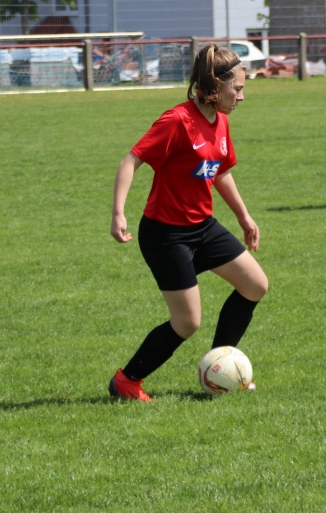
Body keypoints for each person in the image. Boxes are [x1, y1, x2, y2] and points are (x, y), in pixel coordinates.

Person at [108, 44, 268, 401]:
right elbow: (131, 160)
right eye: (237, 88)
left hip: (203, 227)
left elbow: (218, 170)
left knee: (255, 285)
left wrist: (243, 216)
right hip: (166, 235)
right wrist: (119, 212)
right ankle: (126, 381)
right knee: (187, 322)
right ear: (215, 85)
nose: (241, 97)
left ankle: (219, 369)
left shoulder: (220, 120)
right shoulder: (176, 120)